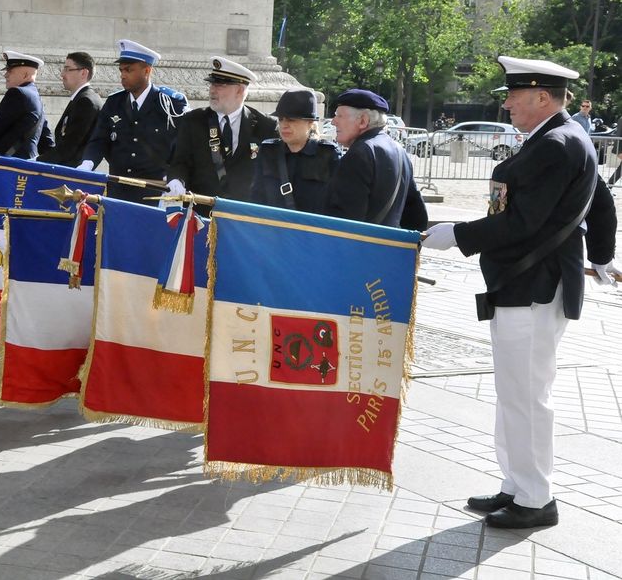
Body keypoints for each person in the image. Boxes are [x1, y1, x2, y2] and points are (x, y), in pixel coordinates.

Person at [422, 55, 619, 529]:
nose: (507, 103)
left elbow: (522, 221)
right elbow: (604, 201)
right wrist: (601, 255)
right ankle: (516, 484)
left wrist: (457, 235)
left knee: (527, 395)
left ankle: (536, 498)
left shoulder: (555, 144)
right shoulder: (560, 139)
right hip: (527, 284)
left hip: (535, 286)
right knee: (515, 392)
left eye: (513, 95)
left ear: (542, 98)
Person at [79, 39, 188, 203]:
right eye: (121, 70)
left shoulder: (169, 104)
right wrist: (87, 163)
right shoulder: (114, 102)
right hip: (119, 189)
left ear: (147, 70)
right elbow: (99, 140)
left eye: (129, 70)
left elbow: (184, 147)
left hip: (156, 191)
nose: (123, 75)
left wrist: (177, 177)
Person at [166, 56, 277, 209]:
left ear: (240, 90)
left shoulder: (266, 126)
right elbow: (179, 162)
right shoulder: (193, 121)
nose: (212, 90)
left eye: (220, 85)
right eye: (211, 84)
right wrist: (176, 180)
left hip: (244, 216)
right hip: (200, 213)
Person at [322, 89, 427, 230]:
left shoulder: (359, 154)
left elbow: (346, 221)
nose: (333, 122)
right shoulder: (399, 150)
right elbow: (416, 215)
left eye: (339, 116)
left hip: (361, 249)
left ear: (363, 121)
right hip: (387, 248)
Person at [250, 87, 340, 213]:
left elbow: (336, 204)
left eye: (291, 120)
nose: (284, 125)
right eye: (281, 119)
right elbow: (257, 198)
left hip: (312, 230)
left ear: (310, 123)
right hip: (273, 228)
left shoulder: (328, 154)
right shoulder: (268, 151)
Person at [0, 51, 48, 159]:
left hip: (10, 164)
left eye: (10, 71)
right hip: (26, 163)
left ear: (25, 75)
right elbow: (45, 136)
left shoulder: (18, 93)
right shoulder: (35, 97)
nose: (5, 74)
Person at [38, 51, 102, 167]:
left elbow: (69, 148)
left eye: (68, 69)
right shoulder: (82, 98)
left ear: (83, 73)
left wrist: (35, 162)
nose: (62, 74)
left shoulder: (86, 101)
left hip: (71, 175)